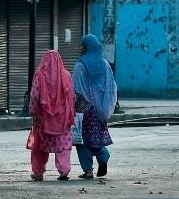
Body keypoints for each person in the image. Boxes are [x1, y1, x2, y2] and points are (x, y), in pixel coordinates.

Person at [73, 34, 117, 179]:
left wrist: (76, 105)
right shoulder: (104, 64)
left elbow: (77, 88)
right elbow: (111, 86)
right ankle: (103, 156)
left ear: (87, 47)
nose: (80, 48)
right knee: (95, 137)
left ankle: (89, 169)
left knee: (81, 139)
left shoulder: (80, 65)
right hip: (100, 109)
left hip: (83, 108)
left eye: (82, 45)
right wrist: (105, 106)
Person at [27, 50, 75, 181]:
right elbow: (72, 96)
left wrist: (33, 111)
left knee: (40, 147)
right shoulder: (66, 75)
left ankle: (38, 172)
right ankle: (64, 170)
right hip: (63, 119)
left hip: (44, 119)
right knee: (63, 145)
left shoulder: (39, 76)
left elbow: (34, 96)